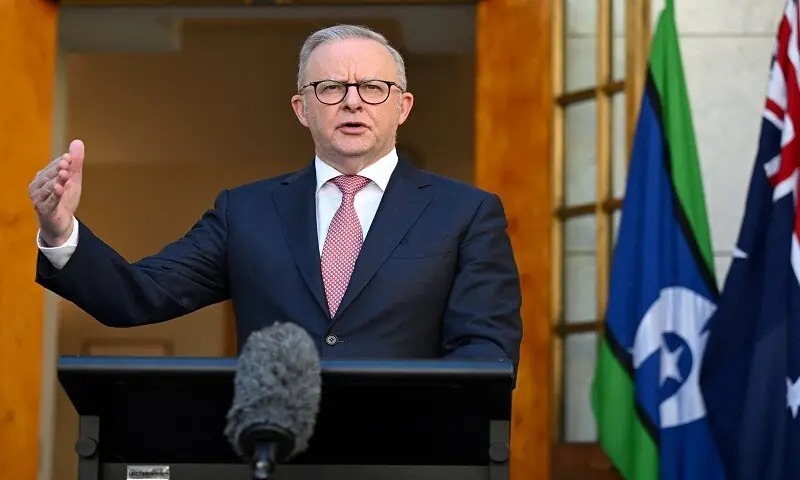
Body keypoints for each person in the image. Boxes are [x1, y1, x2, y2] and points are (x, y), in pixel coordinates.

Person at [29, 24, 523, 372]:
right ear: (302, 108)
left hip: (411, 461)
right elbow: (137, 297)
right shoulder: (244, 213)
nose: (352, 101)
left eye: (373, 87)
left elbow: (486, 352)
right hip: (273, 456)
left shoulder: (467, 213)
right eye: (330, 87)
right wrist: (59, 232)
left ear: (403, 106)